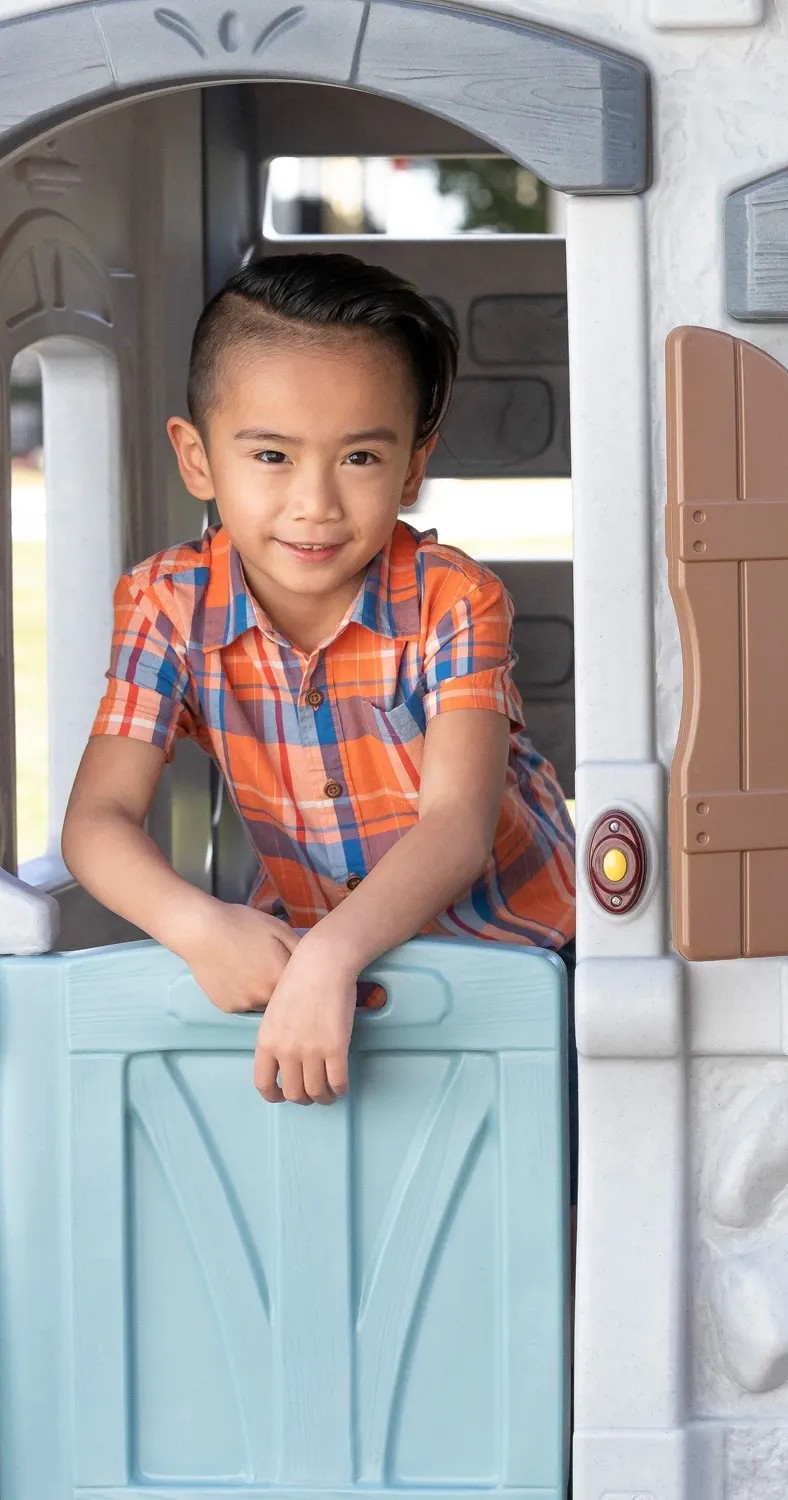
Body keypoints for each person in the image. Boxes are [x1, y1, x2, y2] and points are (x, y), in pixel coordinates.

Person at [62, 252, 576, 1106]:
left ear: (412, 468)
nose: (317, 503)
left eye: (361, 458)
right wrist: (199, 927)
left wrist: (334, 953)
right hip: (306, 950)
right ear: (197, 458)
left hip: (521, 946)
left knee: (548, 1162)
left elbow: (457, 827)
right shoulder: (166, 604)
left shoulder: (456, 599)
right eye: (271, 454)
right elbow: (96, 821)